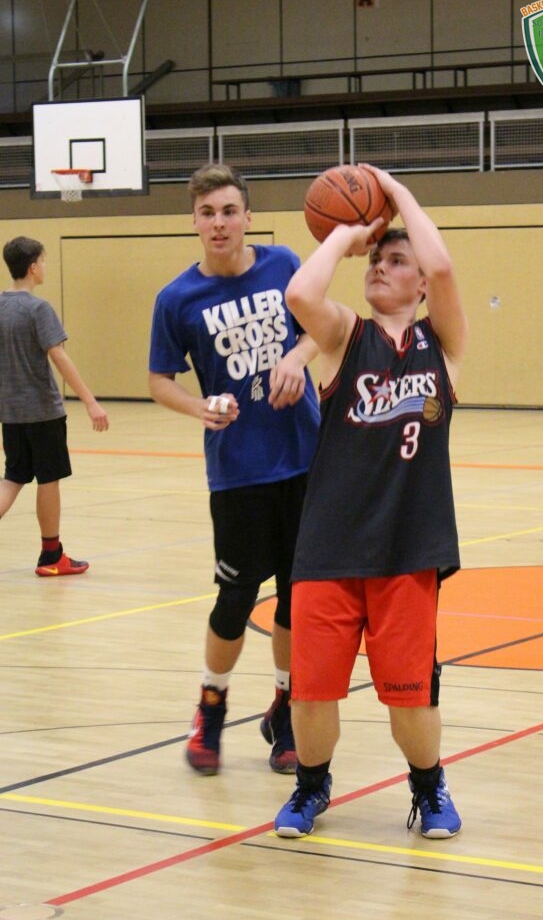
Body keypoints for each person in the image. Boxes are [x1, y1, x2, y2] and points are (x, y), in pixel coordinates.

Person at [274, 165, 468, 840]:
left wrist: (395, 192)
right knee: (311, 692)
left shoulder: (442, 345)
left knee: (409, 696)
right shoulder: (341, 337)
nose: (380, 266)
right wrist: (346, 234)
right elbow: (301, 292)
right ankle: (310, 786)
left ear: (419, 284)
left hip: (409, 546)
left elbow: (443, 267)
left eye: (396, 260)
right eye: (375, 261)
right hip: (329, 543)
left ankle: (428, 786)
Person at [148, 163, 320, 777]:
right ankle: (211, 707)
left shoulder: (284, 265)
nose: (218, 223)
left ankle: (286, 708)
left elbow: (321, 329)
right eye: (207, 213)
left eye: (228, 211)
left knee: (298, 598)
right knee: (236, 597)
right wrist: (199, 407)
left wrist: (296, 358)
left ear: (248, 217)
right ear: (194, 222)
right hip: (239, 472)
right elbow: (159, 381)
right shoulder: (176, 299)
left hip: (304, 460)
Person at [0, 236, 109, 575]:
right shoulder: (38, 309)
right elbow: (58, 356)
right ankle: (51, 557)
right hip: (43, 412)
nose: (46, 266)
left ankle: (51, 556)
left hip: (10, 413)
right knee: (48, 479)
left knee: (13, 478)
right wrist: (90, 401)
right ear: (33, 267)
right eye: (44, 261)